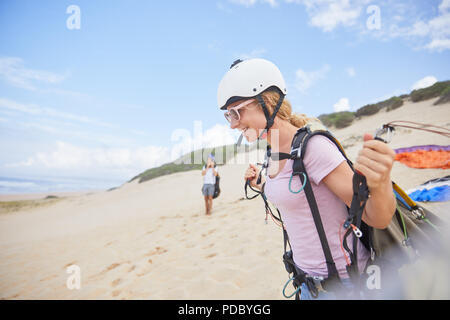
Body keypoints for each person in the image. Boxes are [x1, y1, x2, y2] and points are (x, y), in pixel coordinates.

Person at [217, 58, 397, 299]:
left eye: (237, 113)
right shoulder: (273, 152)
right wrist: (259, 184)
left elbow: (377, 216)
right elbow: (295, 192)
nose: (233, 124)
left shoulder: (314, 148)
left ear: (267, 102)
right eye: (229, 115)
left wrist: (381, 181)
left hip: (347, 286)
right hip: (307, 285)